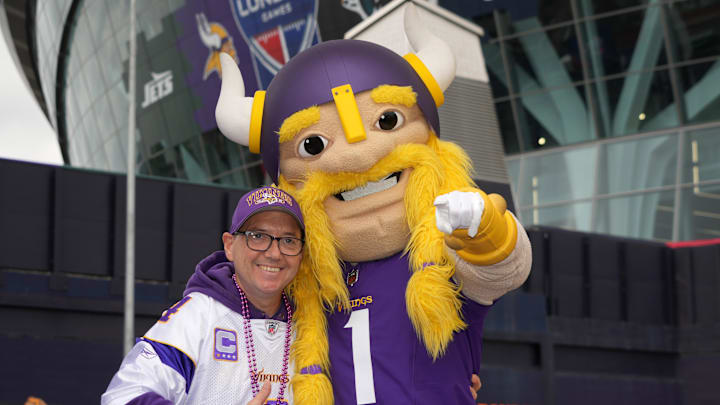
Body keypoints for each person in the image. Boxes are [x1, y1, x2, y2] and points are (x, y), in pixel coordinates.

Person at [214, 5, 532, 404]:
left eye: (387, 122)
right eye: (312, 146)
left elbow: (503, 269)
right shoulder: (303, 283)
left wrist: (484, 230)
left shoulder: (440, 251)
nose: (359, 159)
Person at [102, 186, 305, 405]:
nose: (274, 254)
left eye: (288, 240)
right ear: (229, 246)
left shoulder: (312, 323)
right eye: (257, 236)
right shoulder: (199, 314)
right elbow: (125, 394)